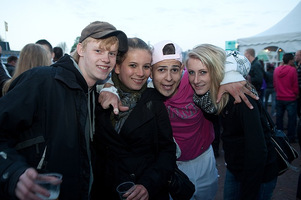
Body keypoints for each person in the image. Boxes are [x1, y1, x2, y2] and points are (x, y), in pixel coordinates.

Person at [99, 40, 258, 200]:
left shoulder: (194, 83)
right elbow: (120, 77)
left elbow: (238, 60)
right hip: (172, 166)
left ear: (182, 69)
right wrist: (108, 86)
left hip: (203, 160)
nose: (168, 78)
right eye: (161, 70)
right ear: (151, 73)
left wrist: (230, 75)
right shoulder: (149, 92)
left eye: (174, 70)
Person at [0, 21, 128, 200]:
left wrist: (109, 87)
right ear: (81, 49)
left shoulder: (90, 91)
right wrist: (13, 172)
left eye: (112, 53)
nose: (106, 59)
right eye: (98, 50)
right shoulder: (42, 80)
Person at [187, 44, 278, 200]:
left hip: (257, 175)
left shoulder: (239, 98)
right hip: (235, 168)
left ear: (216, 71)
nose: (195, 80)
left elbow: (258, 151)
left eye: (203, 72)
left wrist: (249, 193)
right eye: (191, 72)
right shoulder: (212, 97)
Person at [91, 37, 175, 200]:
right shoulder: (98, 97)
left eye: (146, 67)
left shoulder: (154, 101)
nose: (141, 73)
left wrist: (147, 185)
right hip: (105, 191)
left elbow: (167, 151)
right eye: (133, 65)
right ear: (117, 67)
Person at [273, 53, 299, 143]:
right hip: (290, 98)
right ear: (291, 60)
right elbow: (295, 85)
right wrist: (296, 94)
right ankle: (291, 137)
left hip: (279, 97)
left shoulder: (276, 70)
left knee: (279, 118)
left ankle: (280, 136)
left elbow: (275, 84)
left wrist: (278, 92)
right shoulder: (292, 70)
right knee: (291, 119)